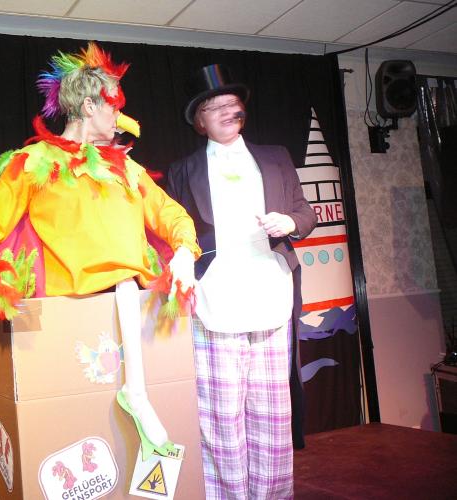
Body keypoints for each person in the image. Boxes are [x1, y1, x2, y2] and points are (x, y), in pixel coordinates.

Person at [0, 42, 200, 460]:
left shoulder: (127, 168)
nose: (120, 118)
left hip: (131, 310)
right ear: (89, 106)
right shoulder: (35, 162)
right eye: (114, 107)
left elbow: (171, 214)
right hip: (65, 318)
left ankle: (138, 397)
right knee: (71, 439)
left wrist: (182, 253)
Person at [165, 64, 317, 499]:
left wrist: (290, 221)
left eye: (232, 104)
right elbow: (171, 232)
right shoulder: (184, 170)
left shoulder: (275, 157)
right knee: (221, 417)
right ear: (200, 120)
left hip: (270, 294)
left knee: (272, 415)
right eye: (215, 107)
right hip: (215, 300)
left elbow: (305, 212)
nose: (227, 111)